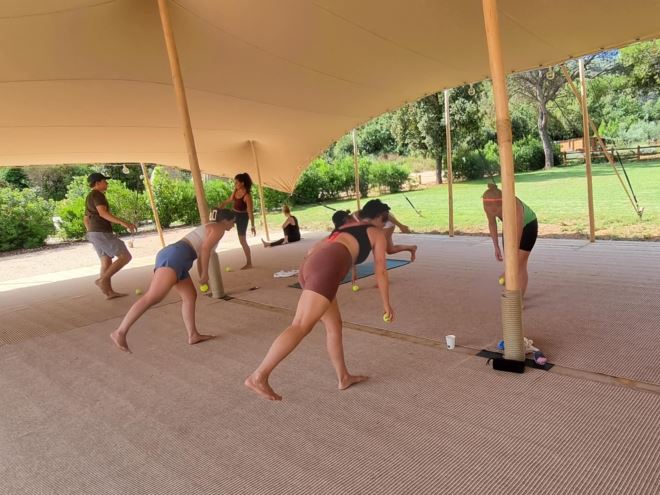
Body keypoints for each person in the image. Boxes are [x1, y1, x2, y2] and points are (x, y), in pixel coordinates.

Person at [245, 199, 394, 401]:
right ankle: (258, 376)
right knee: (300, 325)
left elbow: (312, 250)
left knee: (334, 326)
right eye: (384, 220)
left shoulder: (345, 227)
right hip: (326, 269)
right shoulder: (376, 233)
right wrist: (386, 305)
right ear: (378, 218)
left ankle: (343, 377)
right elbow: (381, 270)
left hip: (311, 266)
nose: (385, 225)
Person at [110, 208, 236, 353]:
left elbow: (203, 251)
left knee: (190, 296)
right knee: (152, 297)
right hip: (176, 256)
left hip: (177, 256)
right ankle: (120, 332)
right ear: (225, 220)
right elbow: (205, 250)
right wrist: (204, 275)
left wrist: (202, 275)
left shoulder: (211, 226)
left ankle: (193, 335)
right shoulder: (219, 228)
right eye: (233, 221)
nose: (233, 225)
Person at [84, 172, 136, 299]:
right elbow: (103, 213)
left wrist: (91, 233)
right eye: (104, 181)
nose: (107, 183)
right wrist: (124, 223)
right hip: (101, 232)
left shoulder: (89, 197)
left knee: (106, 261)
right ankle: (102, 280)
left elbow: (85, 218)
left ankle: (109, 293)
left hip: (94, 233)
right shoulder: (98, 195)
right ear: (97, 183)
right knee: (125, 256)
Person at [482, 183, 538, 297]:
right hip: (510, 226)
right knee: (511, 263)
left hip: (528, 225)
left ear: (503, 201)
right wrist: (496, 246)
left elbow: (518, 230)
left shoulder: (514, 205)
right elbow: (492, 224)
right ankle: (513, 289)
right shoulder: (488, 207)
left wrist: (512, 259)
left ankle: (518, 298)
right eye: (489, 205)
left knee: (519, 264)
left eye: (497, 205)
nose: (493, 208)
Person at [219, 173, 255, 269]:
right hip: (233, 214)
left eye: (236, 182)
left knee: (242, 241)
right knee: (220, 223)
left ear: (242, 183)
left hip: (243, 218)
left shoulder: (247, 196)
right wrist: (222, 204)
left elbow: (250, 212)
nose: (235, 184)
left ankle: (249, 263)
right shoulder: (236, 191)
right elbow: (230, 199)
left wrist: (252, 226)